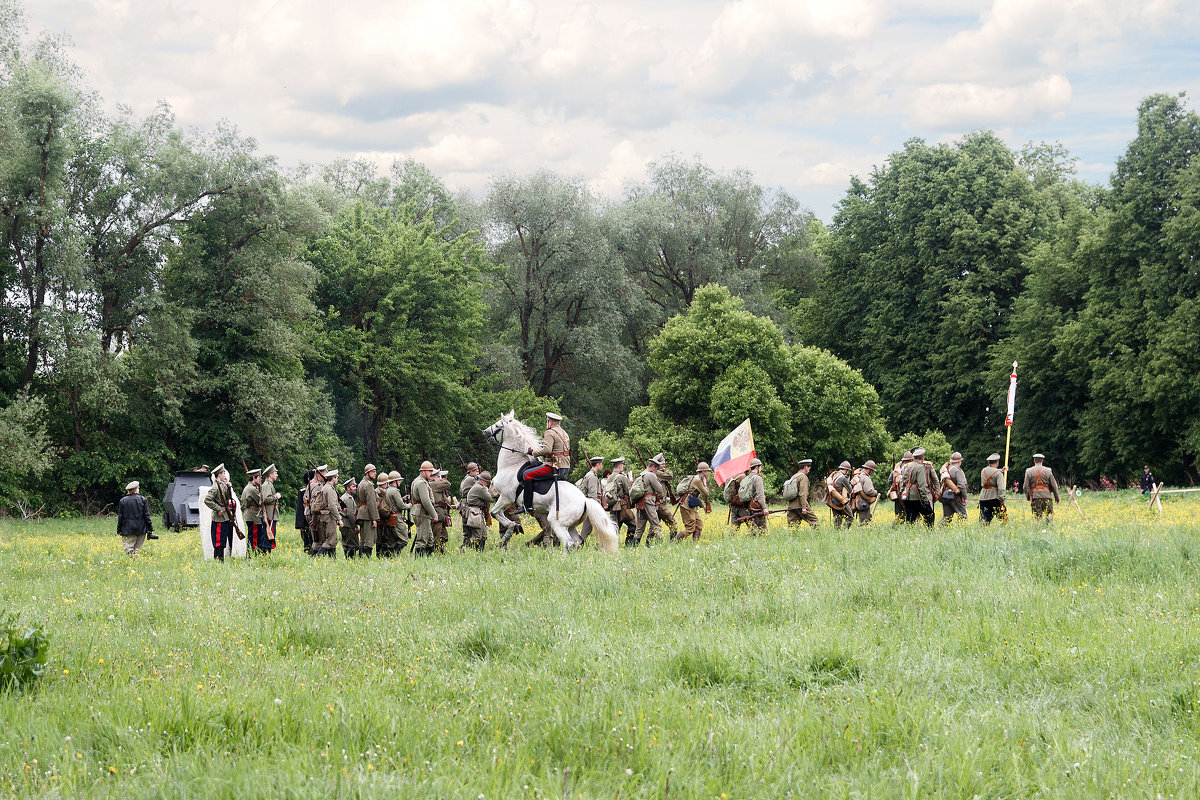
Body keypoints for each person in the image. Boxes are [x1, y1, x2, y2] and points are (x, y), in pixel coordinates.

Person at [204, 464, 237, 561]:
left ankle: (220, 560)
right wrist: (219, 509)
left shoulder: (222, 485)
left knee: (222, 540)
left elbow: (226, 498)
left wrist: (229, 487)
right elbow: (207, 500)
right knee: (218, 541)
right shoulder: (215, 487)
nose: (225, 475)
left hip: (225, 517)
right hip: (218, 518)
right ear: (219, 475)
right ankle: (218, 561)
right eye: (223, 473)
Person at [632, 454, 666, 546]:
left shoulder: (642, 474)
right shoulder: (651, 475)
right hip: (648, 501)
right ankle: (661, 545)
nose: (657, 470)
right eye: (657, 468)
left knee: (640, 527)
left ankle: (634, 546)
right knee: (656, 523)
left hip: (641, 503)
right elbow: (659, 489)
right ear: (653, 467)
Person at [675, 462, 712, 542]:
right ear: (703, 471)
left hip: (691, 504)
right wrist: (705, 484)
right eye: (707, 471)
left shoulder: (698, 479)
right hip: (686, 505)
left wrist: (703, 507)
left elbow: (696, 496)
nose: (709, 473)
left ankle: (695, 545)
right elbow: (706, 493)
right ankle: (674, 542)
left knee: (698, 525)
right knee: (690, 528)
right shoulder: (698, 480)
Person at [117, 480, 153, 557]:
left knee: (129, 546)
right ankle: (135, 562)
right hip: (141, 529)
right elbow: (147, 515)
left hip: (128, 529)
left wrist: (119, 529)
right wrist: (150, 528)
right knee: (137, 549)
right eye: (138, 488)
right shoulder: (143, 500)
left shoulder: (123, 501)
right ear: (136, 489)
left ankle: (130, 556)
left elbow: (120, 516)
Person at [575, 456, 605, 546]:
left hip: (589, 506)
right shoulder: (592, 477)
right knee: (594, 528)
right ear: (598, 464)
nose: (602, 466)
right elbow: (592, 495)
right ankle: (578, 545)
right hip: (592, 506)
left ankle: (579, 545)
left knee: (587, 529)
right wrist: (595, 509)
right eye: (601, 464)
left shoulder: (590, 475)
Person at [607, 457, 637, 546]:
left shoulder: (609, 478)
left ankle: (609, 545)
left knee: (615, 528)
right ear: (620, 466)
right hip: (622, 506)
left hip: (613, 506)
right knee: (633, 524)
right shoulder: (621, 477)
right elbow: (628, 491)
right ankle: (629, 543)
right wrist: (631, 482)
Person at [411, 461, 438, 556]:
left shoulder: (418, 481)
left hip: (422, 512)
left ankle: (429, 561)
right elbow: (425, 501)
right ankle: (419, 562)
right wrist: (434, 514)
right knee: (422, 539)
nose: (432, 473)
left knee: (429, 539)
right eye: (430, 471)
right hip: (422, 513)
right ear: (424, 471)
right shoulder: (421, 483)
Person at [903, 448, 936, 527]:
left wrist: (902, 493)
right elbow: (922, 485)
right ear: (923, 457)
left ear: (914, 458)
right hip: (917, 497)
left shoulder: (908, 467)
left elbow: (903, 482)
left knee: (910, 519)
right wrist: (925, 499)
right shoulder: (920, 467)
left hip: (908, 496)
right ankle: (929, 533)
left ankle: (908, 534)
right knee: (929, 515)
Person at [462, 471, 494, 550]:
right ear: (483, 481)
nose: (487, 484)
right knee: (477, 536)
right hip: (475, 512)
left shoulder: (478, 486)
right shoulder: (480, 488)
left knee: (483, 535)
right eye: (487, 482)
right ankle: (463, 548)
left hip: (477, 512)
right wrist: (488, 489)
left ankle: (479, 552)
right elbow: (489, 498)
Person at [653, 454, 683, 540]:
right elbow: (670, 475)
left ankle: (650, 544)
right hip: (661, 503)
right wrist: (663, 469)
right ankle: (672, 541)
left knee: (654, 525)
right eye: (662, 464)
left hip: (658, 502)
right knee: (673, 523)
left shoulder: (657, 473)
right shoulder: (658, 473)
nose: (664, 466)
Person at [1024, 454, 1060, 521]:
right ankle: (1048, 530)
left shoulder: (1028, 471)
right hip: (1047, 496)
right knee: (1049, 517)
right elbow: (1054, 485)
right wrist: (1057, 497)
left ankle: (1039, 530)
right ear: (1042, 461)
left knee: (1037, 518)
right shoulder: (1048, 470)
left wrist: (1029, 497)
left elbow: (1025, 486)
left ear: (1034, 461)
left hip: (1035, 497)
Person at [354, 464, 379, 559]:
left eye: (375, 471)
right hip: (368, 515)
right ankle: (365, 560)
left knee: (363, 539)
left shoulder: (361, 483)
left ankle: (361, 559)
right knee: (369, 540)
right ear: (367, 473)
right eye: (372, 471)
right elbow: (371, 503)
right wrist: (374, 519)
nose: (375, 473)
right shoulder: (368, 485)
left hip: (362, 513)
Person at [786, 459, 819, 528]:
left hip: (792, 505)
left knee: (792, 526)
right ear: (805, 467)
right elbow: (803, 493)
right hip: (800, 504)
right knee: (815, 522)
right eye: (809, 468)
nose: (809, 470)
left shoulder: (794, 476)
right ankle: (816, 538)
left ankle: (791, 539)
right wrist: (804, 507)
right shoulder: (803, 477)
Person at [240, 468, 267, 554]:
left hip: (251, 515)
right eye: (259, 477)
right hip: (253, 516)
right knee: (254, 537)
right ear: (254, 478)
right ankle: (253, 555)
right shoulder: (252, 489)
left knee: (253, 536)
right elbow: (260, 501)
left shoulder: (249, 487)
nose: (260, 479)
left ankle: (252, 554)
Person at [386, 471, 411, 555]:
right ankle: (395, 555)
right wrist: (408, 505)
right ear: (395, 481)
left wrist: (403, 499)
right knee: (404, 539)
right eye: (399, 480)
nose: (400, 482)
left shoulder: (388, 490)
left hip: (391, 517)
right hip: (397, 517)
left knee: (392, 541)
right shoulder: (395, 491)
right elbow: (401, 506)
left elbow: (394, 502)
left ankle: (389, 557)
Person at [939, 452, 968, 525]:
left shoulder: (946, 469)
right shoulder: (957, 470)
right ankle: (963, 533)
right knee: (963, 517)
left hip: (945, 495)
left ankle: (939, 532)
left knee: (946, 518)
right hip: (955, 497)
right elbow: (961, 485)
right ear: (959, 461)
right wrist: (965, 497)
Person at [741, 459, 768, 533]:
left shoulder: (746, 478)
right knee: (763, 530)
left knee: (753, 529)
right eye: (760, 467)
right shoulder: (757, 478)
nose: (761, 469)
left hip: (749, 506)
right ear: (757, 467)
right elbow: (760, 494)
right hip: (757, 507)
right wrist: (764, 508)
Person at [979, 453, 1006, 524]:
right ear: (997, 462)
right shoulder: (998, 474)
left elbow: (991, 471)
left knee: (984, 521)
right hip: (994, 498)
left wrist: (1001, 470)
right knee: (1002, 520)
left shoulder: (983, 471)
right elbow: (1001, 488)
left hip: (983, 498)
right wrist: (1002, 500)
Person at [431, 469, 454, 554]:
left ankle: (441, 552)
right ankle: (435, 553)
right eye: (438, 476)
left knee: (443, 535)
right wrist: (440, 480)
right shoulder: (434, 484)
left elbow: (445, 501)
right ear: (432, 477)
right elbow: (447, 484)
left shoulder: (437, 486)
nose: (439, 478)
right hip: (437, 513)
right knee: (436, 536)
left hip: (441, 514)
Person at [828, 461, 853, 529]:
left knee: (837, 519)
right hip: (841, 500)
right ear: (846, 470)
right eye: (848, 470)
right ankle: (844, 531)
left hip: (833, 500)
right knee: (850, 517)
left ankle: (837, 533)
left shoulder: (834, 475)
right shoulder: (843, 478)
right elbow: (850, 490)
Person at [889, 453, 912, 526]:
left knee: (899, 516)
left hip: (897, 495)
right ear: (911, 460)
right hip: (907, 495)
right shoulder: (911, 468)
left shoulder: (896, 469)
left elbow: (889, 481)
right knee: (910, 515)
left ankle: (894, 529)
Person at [260, 464, 280, 551]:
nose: (277, 475)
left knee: (269, 535)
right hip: (269, 515)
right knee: (268, 536)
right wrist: (276, 496)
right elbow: (266, 498)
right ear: (270, 475)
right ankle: (266, 556)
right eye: (275, 473)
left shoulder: (269, 485)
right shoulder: (267, 485)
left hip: (271, 514)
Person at [853, 461, 880, 526]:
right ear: (869, 470)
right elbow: (869, 491)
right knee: (865, 523)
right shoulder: (866, 478)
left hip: (856, 501)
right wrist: (875, 492)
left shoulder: (857, 476)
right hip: (863, 502)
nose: (872, 472)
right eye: (872, 471)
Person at [340, 477, 358, 549]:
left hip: (345, 524)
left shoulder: (343, 497)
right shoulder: (348, 498)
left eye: (355, 486)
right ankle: (351, 560)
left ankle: (348, 560)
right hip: (349, 525)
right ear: (348, 488)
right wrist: (355, 526)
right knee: (352, 545)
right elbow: (350, 514)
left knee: (346, 544)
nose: (355, 488)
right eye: (353, 486)